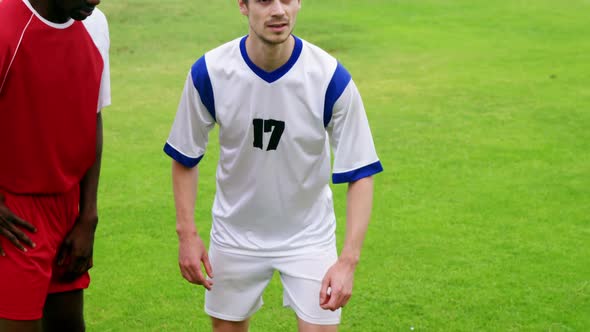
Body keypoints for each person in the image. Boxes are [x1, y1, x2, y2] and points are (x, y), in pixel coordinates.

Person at [164, 0, 382, 331]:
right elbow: (184, 156)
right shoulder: (209, 73)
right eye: (265, 0)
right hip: (235, 234)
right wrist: (187, 234)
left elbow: (361, 172)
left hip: (309, 236)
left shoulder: (329, 78)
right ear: (243, 5)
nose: (278, 10)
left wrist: (348, 261)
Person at [0, 0, 111, 331]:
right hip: (15, 217)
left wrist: (88, 214)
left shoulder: (94, 23)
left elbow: (93, 115)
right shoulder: (5, 25)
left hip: (68, 211)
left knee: (69, 324)